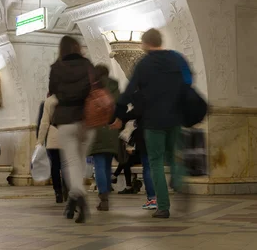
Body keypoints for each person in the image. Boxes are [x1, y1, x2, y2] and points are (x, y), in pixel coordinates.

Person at [111, 28, 191, 218]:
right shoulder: (176, 58)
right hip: (175, 117)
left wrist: (118, 115)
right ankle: (179, 183)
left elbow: (129, 91)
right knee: (173, 156)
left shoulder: (144, 64)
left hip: (153, 120)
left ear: (145, 44)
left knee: (155, 162)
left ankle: (163, 207)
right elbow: (188, 81)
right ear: (160, 40)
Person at [49, 35, 95, 223]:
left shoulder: (56, 68)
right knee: (80, 161)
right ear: (77, 47)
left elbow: (52, 91)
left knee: (71, 162)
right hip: (87, 119)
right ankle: (74, 199)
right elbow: (94, 87)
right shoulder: (87, 65)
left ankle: (78, 197)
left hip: (66, 120)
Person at [88, 65, 119, 212]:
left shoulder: (93, 88)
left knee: (99, 164)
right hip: (112, 130)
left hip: (96, 130)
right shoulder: (115, 87)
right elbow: (120, 107)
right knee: (107, 164)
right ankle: (106, 195)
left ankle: (104, 198)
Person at [37, 94, 68, 203]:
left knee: (55, 166)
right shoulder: (69, 98)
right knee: (66, 166)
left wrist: (40, 141)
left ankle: (58, 192)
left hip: (53, 138)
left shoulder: (49, 101)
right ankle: (66, 190)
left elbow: (44, 123)